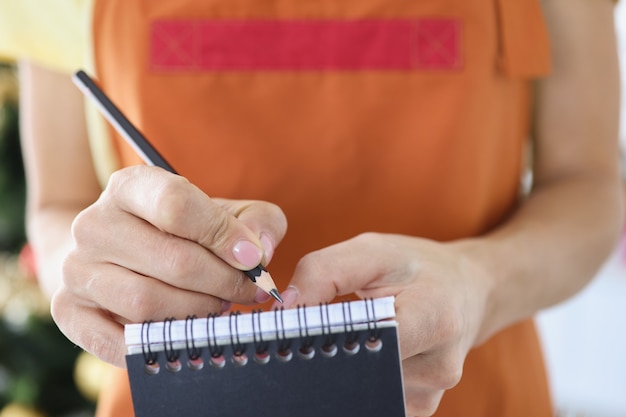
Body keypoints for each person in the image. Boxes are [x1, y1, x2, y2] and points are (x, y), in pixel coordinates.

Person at [2, 0, 624, 416]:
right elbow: (60, 210)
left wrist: (481, 281)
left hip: (471, 394)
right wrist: (92, 277)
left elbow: (589, 184)